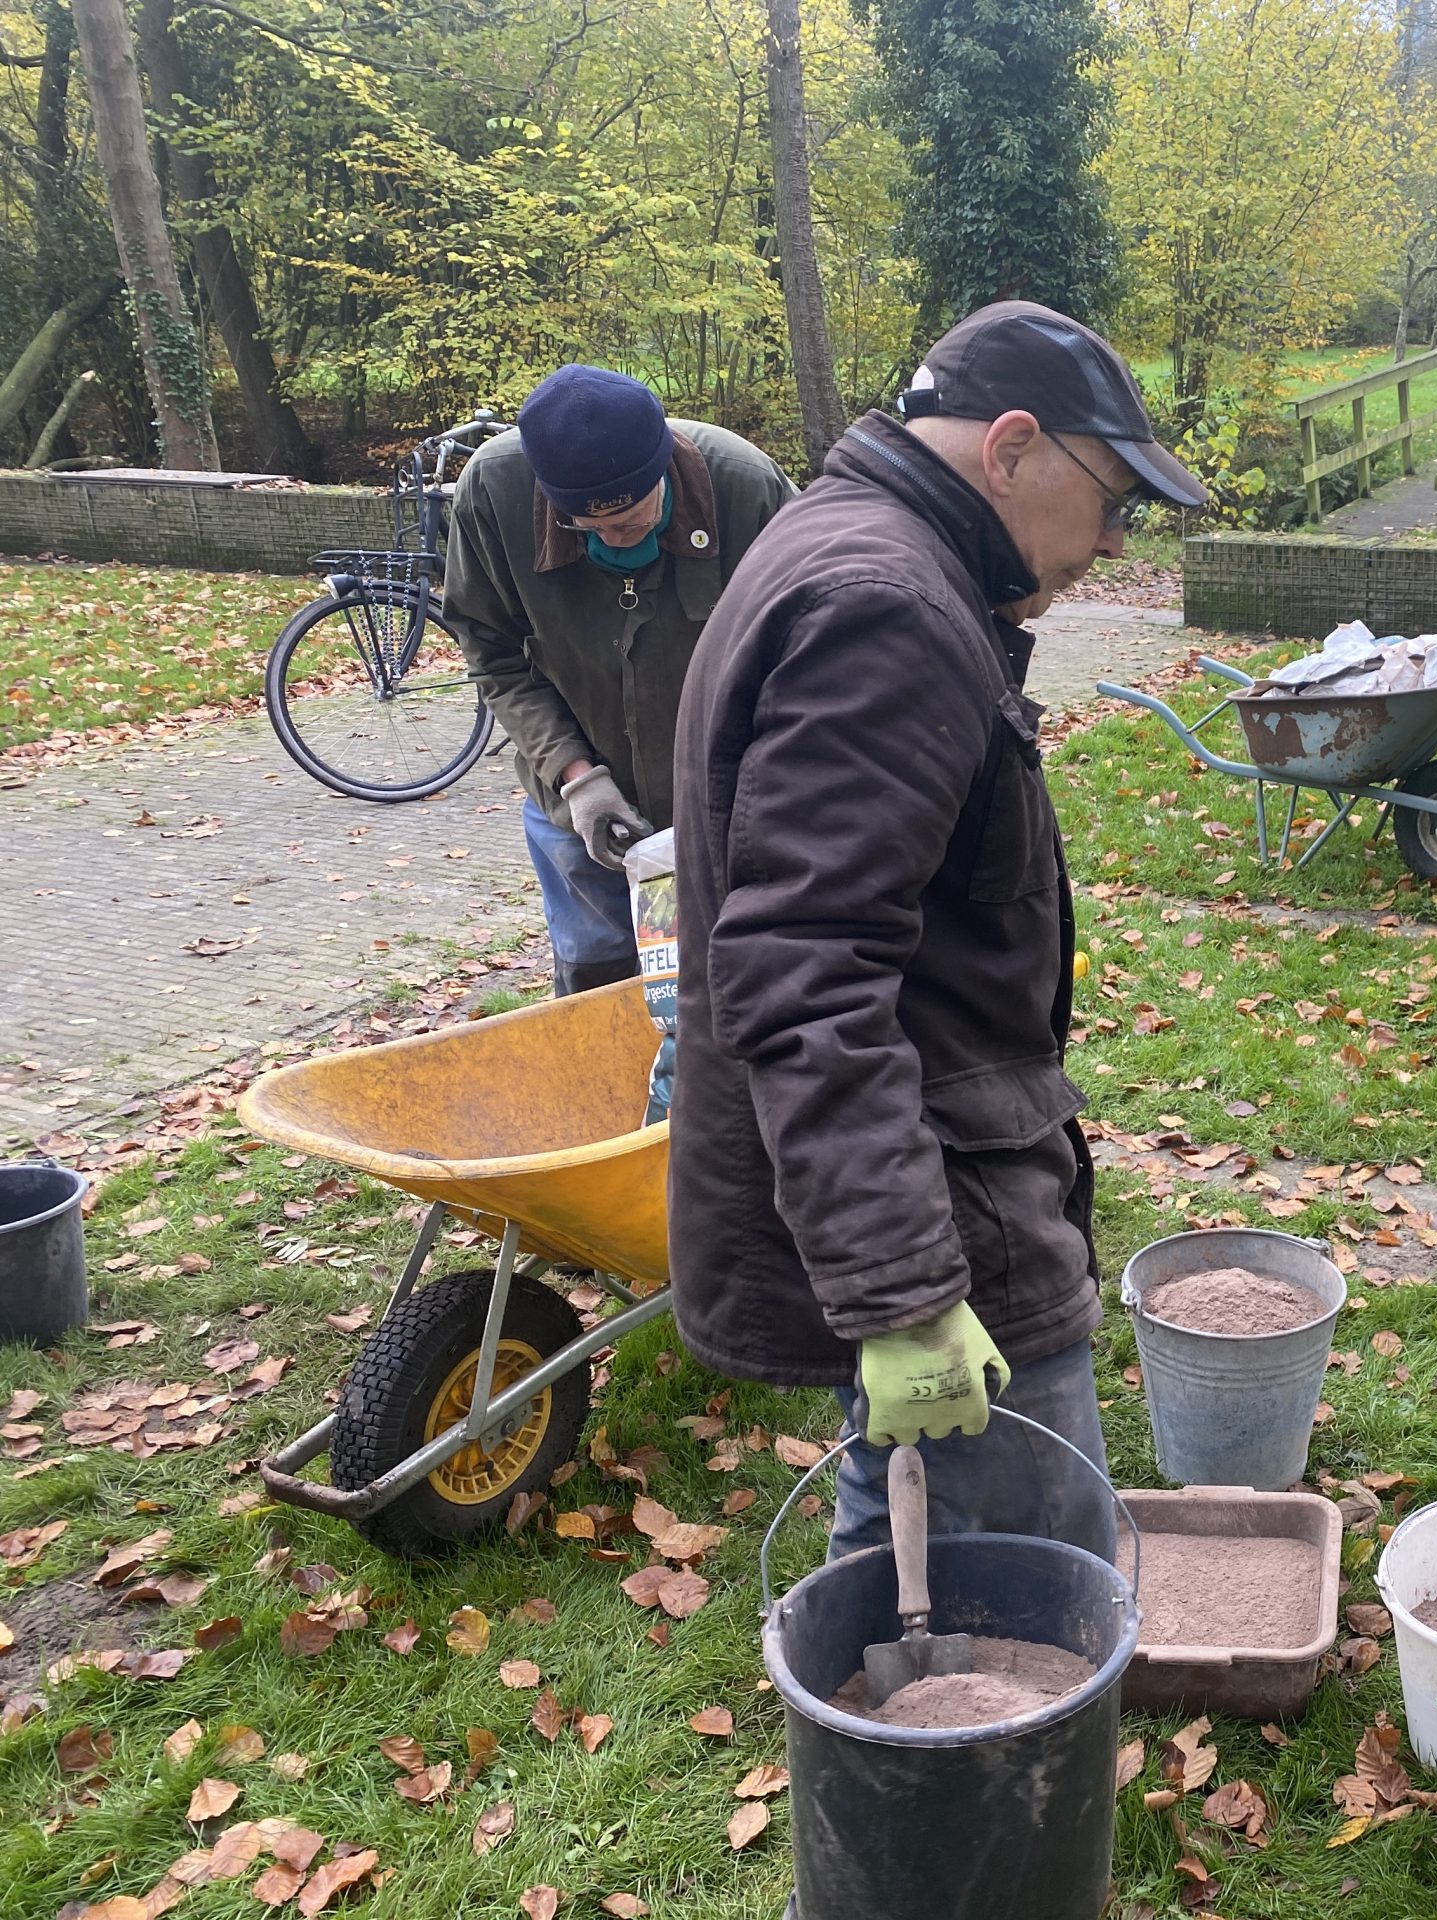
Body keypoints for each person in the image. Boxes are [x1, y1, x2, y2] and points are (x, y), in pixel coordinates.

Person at [666, 303, 1205, 1559]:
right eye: (1114, 498)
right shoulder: (888, 606)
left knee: (913, 1526)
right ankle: (975, 1758)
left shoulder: (852, 539)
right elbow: (806, 969)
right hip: (942, 1193)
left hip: (927, 1154)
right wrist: (907, 1294)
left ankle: (878, 1733)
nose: (1116, 542)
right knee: (1027, 1560)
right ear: (1011, 449)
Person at [443, 365, 795, 999]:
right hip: (582, 813)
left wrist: (758, 788)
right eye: (587, 525)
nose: (612, 537)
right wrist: (577, 777)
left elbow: (813, 652)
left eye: (631, 518)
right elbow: (493, 653)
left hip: (731, 806)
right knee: (597, 976)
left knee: (737, 982)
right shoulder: (493, 493)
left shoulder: (745, 490)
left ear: (661, 466)